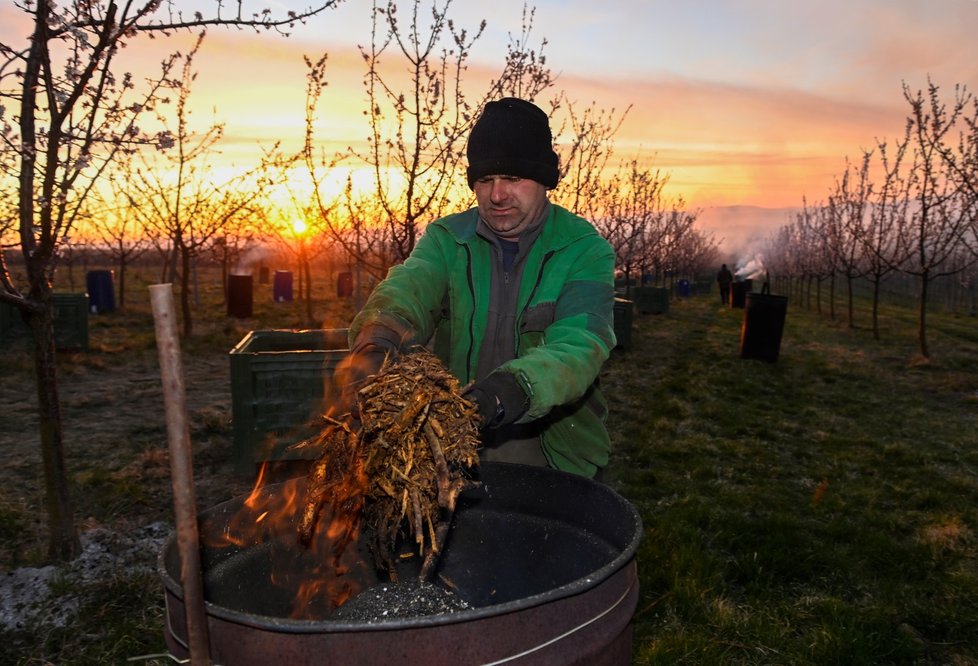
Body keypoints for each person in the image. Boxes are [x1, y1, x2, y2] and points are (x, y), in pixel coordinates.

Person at [335, 97, 617, 479]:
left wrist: (508, 390)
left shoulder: (583, 249)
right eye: (485, 180)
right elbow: (410, 288)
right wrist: (377, 340)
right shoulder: (447, 239)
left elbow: (581, 344)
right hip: (452, 447)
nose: (497, 194)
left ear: (544, 180)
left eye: (513, 178)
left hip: (551, 451)